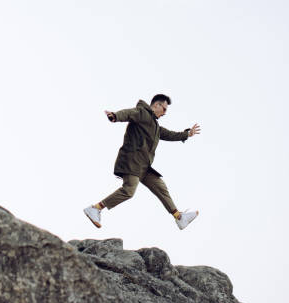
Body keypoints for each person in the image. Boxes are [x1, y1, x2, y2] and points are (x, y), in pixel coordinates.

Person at [83, 94, 201, 230]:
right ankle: (95, 208)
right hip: (131, 161)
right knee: (129, 190)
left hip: (144, 167)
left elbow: (169, 134)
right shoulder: (142, 113)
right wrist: (115, 116)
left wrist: (187, 134)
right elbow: (129, 113)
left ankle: (179, 217)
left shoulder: (155, 127)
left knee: (160, 187)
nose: (165, 113)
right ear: (156, 105)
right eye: (164, 109)